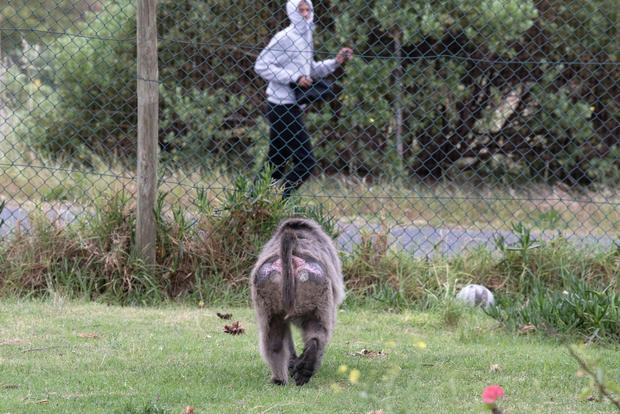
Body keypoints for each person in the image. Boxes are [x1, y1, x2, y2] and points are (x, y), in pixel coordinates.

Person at [255, 0, 353, 199]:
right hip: (281, 106)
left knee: (276, 160)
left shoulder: (306, 36)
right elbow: (261, 66)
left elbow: (310, 70)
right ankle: (280, 202)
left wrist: (336, 62)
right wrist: (294, 78)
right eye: (301, 10)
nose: (306, 14)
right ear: (292, 11)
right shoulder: (284, 37)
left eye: (308, 9)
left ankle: (254, 203)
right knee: (306, 161)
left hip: (292, 106)